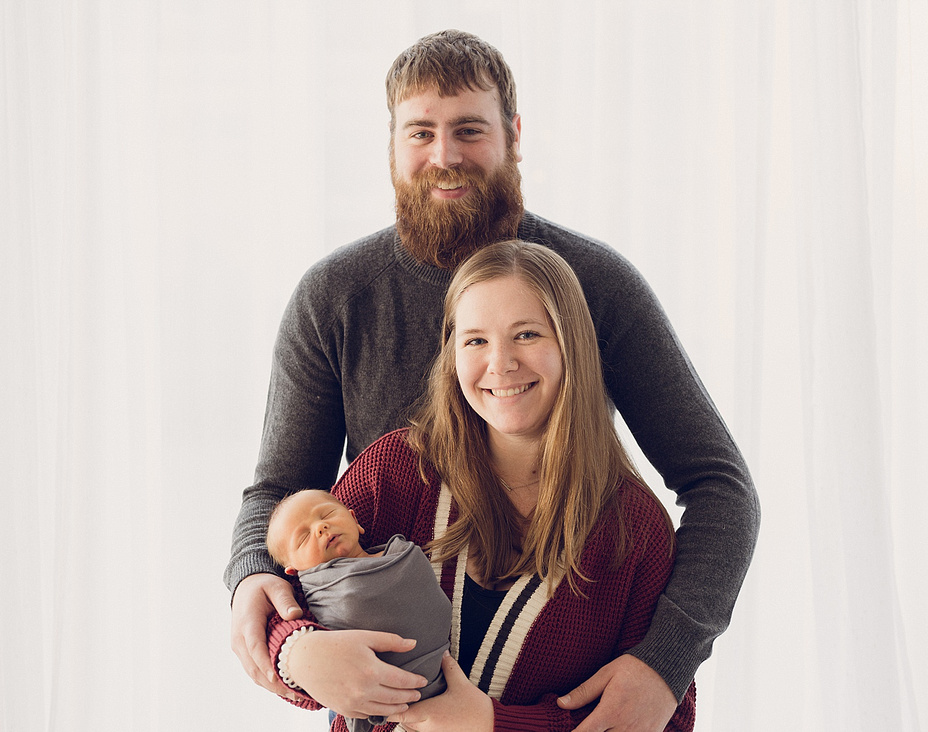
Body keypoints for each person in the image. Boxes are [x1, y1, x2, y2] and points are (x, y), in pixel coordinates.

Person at [227, 29, 760, 730]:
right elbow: (283, 501)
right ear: (392, 145)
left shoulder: (598, 287)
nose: (444, 155)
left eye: (469, 130)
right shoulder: (337, 308)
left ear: (513, 134)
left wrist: (664, 663)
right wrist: (286, 641)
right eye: (421, 132)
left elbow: (719, 484)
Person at [270, 240, 695, 730]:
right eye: (475, 340)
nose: (501, 363)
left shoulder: (634, 529)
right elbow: (288, 585)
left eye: (527, 334)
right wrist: (296, 652)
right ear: (452, 354)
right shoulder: (396, 470)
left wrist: (494, 724)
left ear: (572, 343)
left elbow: (662, 718)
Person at [265, 489, 452, 729]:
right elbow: (279, 640)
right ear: (294, 571)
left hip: (446, 684)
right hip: (378, 706)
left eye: (327, 514)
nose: (321, 527)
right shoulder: (307, 598)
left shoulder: (402, 552)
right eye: (303, 537)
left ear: (354, 520)